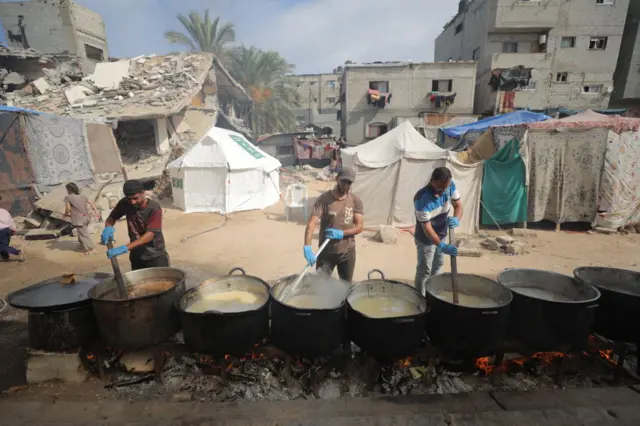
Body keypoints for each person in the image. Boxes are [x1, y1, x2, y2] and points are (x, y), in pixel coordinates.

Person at [303, 167, 363, 282]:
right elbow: (311, 224)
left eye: (349, 182)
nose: (346, 186)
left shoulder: (355, 200)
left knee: (345, 287)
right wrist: (307, 247)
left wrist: (342, 233)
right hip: (326, 252)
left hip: (347, 253)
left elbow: (359, 227)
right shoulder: (324, 199)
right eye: (343, 181)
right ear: (337, 179)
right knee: (320, 286)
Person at [413, 167, 463, 295]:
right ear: (432, 181)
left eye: (445, 189)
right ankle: (421, 299)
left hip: (442, 234)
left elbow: (458, 205)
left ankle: (433, 296)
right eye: (440, 189)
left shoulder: (450, 186)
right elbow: (427, 228)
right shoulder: (421, 198)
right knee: (424, 271)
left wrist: (457, 218)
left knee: (438, 267)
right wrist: (441, 245)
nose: (442, 192)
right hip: (426, 239)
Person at [100, 180, 169, 270]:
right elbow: (111, 218)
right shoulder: (125, 203)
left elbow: (150, 235)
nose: (132, 202)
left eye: (136, 198)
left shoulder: (153, 208)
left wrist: (125, 248)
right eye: (129, 199)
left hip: (155, 254)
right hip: (136, 254)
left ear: (143, 193)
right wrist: (108, 228)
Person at [64, 182, 99, 255]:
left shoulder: (68, 197)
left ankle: (91, 249)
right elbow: (91, 203)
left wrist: (65, 215)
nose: (67, 191)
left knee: (84, 234)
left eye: (67, 189)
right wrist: (96, 211)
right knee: (81, 232)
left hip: (78, 219)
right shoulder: (83, 196)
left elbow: (68, 208)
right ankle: (81, 244)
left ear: (69, 189)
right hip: (86, 217)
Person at [0, 197, 24, 262]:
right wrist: (13, 229)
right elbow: (10, 221)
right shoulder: (4, 211)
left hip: (1, 232)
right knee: (4, 246)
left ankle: (18, 252)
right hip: (7, 230)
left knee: (2, 247)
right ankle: (5, 257)